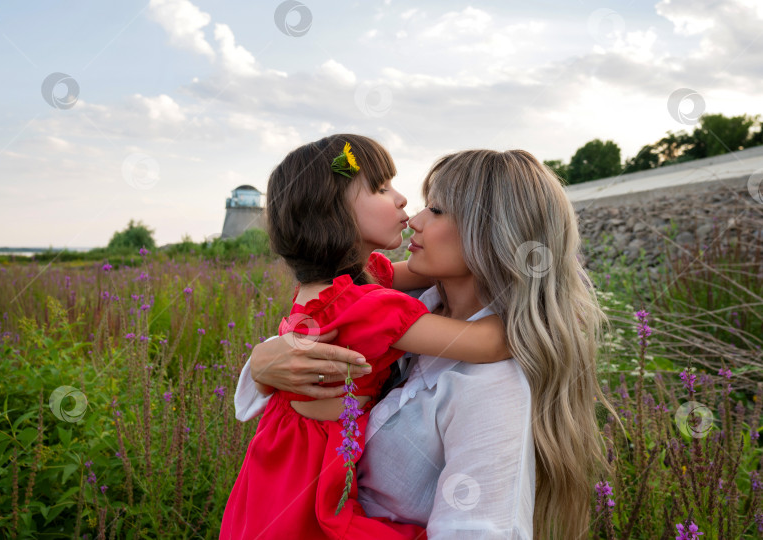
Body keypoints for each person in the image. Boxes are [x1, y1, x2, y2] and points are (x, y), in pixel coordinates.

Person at [236, 149, 621, 539]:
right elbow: (342, 325)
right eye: (381, 190)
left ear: (489, 235)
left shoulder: (490, 385)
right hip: (295, 489)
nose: (414, 217)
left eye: (436, 210)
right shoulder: (395, 305)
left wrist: (542, 314)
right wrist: (261, 365)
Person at [219, 135, 512, 540]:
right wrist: (539, 299)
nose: (402, 200)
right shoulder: (367, 306)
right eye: (379, 188)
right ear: (333, 214)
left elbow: (425, 270)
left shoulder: (342, 285)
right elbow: (489, 342)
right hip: (310, 464)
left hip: (278, 450)